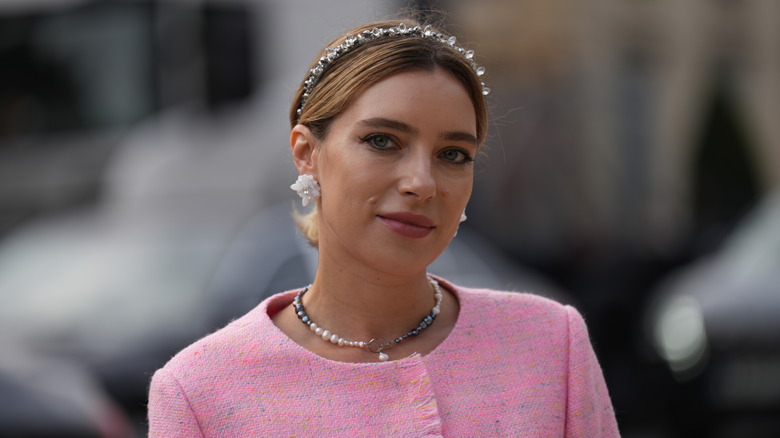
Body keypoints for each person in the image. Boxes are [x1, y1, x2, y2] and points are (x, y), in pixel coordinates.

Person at [148, 18, 620, 437]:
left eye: (453, 154)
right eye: (382, 141)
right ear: (306, 153)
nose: (422, 182)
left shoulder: (549, 344)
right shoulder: (200, 393)